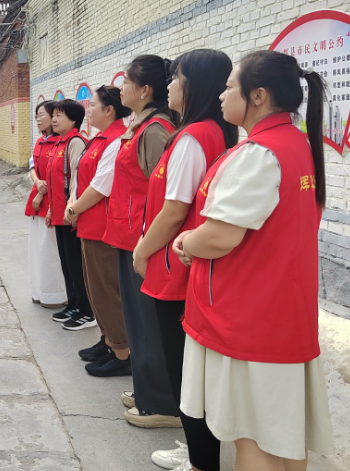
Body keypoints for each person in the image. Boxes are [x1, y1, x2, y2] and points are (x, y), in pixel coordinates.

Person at [173, 51, 334, 469]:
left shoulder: (260, 153)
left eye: (230, 87)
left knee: (253, 440)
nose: (223, 95)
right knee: (281, 438)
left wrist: (188, 240)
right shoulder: (295, 143)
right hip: (282, 312)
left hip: (248, 319)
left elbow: (222, 235)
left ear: (257, 95)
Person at [132, 50, 236, 470]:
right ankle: (196, 450)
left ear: (194, 85)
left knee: (184, 369)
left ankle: (200, 459)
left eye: (176, 79)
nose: (170, 86)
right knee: (188, 367)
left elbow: (175, 209)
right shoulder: (209, 131)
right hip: (184, 263)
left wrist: (142, 250)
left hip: (176, 266)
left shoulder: (193, 137)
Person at [103, 55, 180, 428]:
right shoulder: (141, 125)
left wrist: (149, 242)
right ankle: (147, 387)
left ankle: (163, 402)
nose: (121, 88)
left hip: (144, 240)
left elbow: (166, 193)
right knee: (138, 321)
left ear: (145, 90)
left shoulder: (155, 131)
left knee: (149, 322)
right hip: (129, 233)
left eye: (127, 82)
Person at [65, 85, 131, 376]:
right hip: (88, 225)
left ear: (109, 110)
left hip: (103, 228)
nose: (87, 109)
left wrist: (74, 209)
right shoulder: (99, 139)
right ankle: (107, 340)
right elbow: (80, 177)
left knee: (107, 292)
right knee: (95, 289)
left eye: (92, 105)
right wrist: (73, 204)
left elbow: (102, 185)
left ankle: (122, 352)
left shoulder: (116, 140)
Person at [44, 99, 92, 330]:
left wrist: (71, 209)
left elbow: (77, 179)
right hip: (59, 215)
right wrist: (52, 209)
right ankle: (73, 304)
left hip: (71, 216)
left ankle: (85, 310)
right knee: (66, 263)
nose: (54, 119)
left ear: (73, 119)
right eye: (53, 114)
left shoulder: (75, 142)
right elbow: (56, 181)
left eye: (59, 115)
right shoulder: (58, 143)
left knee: (76, 264)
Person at [26, 101, 67, 308]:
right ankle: (39, 290)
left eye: (41, 114)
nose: (38, 119)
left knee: (50, 251)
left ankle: (55, 295)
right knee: (37, 249)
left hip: (52, 202)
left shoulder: (61, 143)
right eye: (36, 115)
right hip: (37, 200)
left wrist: (44, 192)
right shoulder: (40, 141)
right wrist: (37, 183)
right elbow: (32, 165)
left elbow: (60, 176)